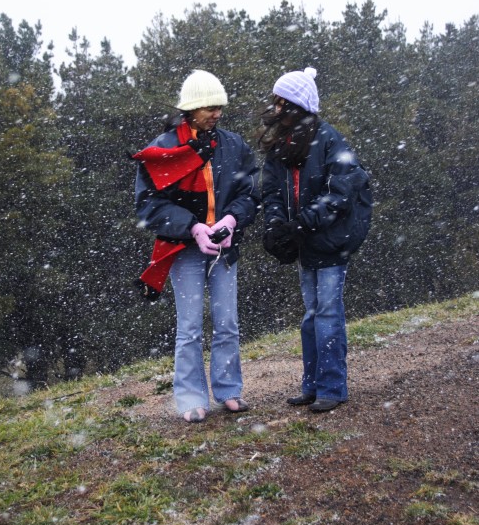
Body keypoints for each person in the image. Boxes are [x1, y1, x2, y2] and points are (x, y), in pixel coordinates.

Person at [133, 70, 260, 423]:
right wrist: (193, 228)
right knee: (189, 327)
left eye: (219, 106)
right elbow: (148, 206)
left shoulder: (234, 145)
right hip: (182, 250)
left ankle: (229, 391)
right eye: (208, 107)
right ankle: (190, 398)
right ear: (190, 109)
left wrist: (231, 220)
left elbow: (250, 193)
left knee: (227, 322)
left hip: (225, 247)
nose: (216, 113)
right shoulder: (165, 148)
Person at [260, 67, 372, 413]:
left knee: (327, 313)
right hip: (305, 241)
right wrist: (277, 223)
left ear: (297, 104)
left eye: (282, 101)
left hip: (331, 241)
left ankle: (332, 387)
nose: (276, 108)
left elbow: (340, 193)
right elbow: (273, 189)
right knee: (312, 314)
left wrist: (303, 223)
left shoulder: (329, 140)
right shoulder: (283, 144)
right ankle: (312, 385)